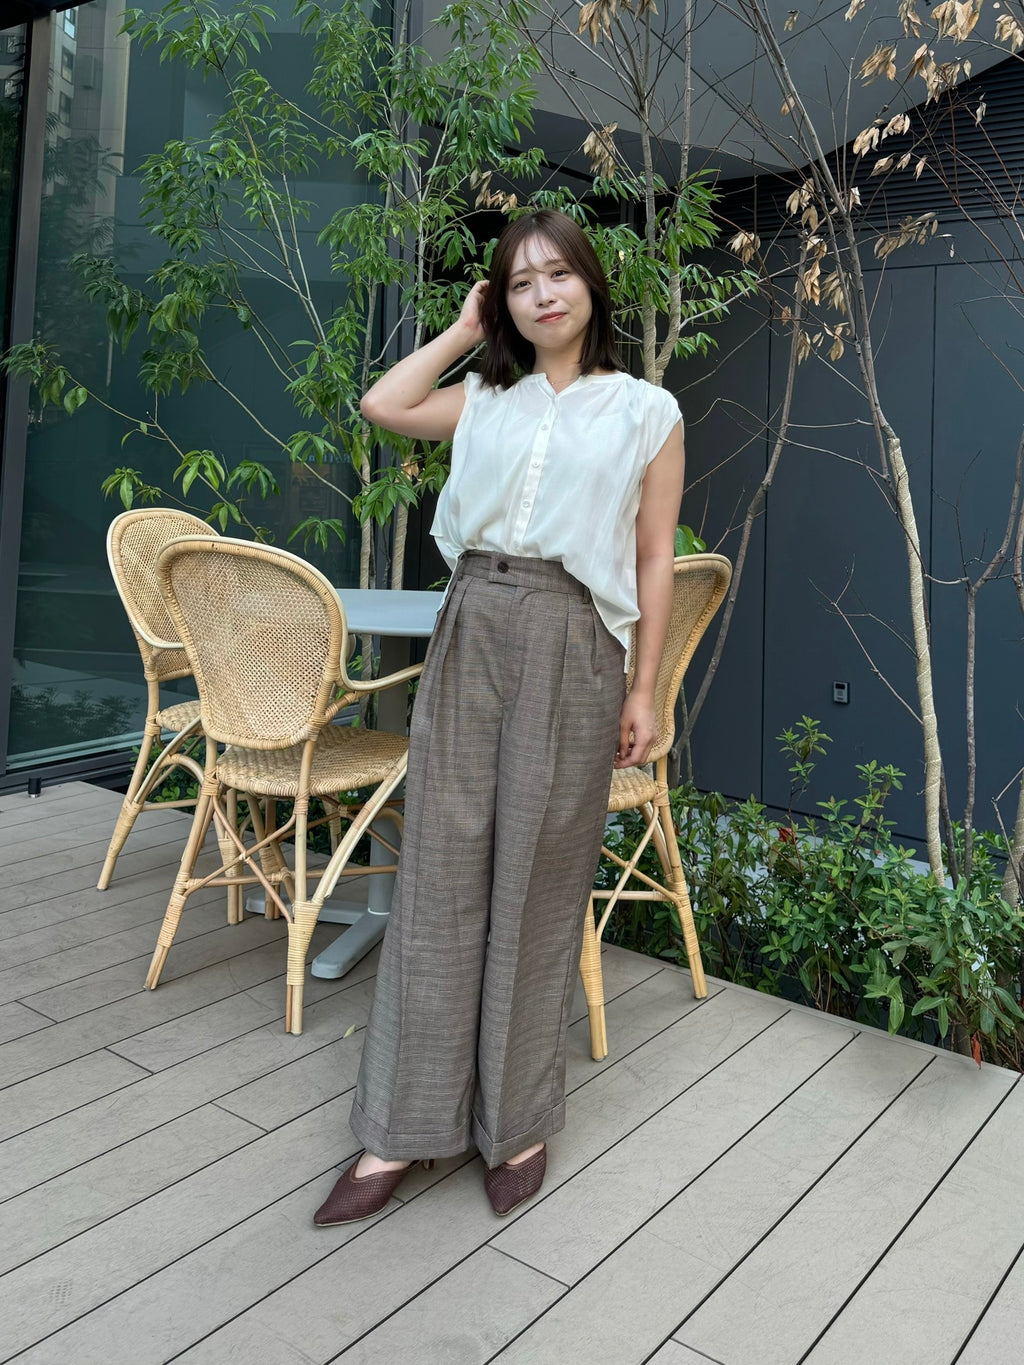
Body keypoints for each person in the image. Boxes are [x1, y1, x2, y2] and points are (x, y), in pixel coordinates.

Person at [313, 208, 685, 1226]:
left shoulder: (646, 411)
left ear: (593, 285)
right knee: (439, 862)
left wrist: (644, 688)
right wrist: (462, 330)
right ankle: (400, 1124)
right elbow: (383, 403)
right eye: (521, 283)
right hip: (473, 617)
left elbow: (653, 556)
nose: (543, 295)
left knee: (539, 873)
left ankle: (514, 1120)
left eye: (559, 274)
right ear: (502, 301)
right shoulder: (484, 395)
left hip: (576, 638)